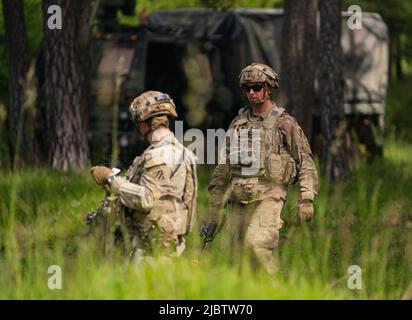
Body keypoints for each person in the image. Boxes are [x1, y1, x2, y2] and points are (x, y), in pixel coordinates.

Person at [207, 63, 319, 274]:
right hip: (239, 199)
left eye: (257, 87)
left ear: (268, 88)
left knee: (257, 246)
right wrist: (216, 205)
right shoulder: (238, 123)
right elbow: (223, 166)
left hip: (269, 195)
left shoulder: (284, 123)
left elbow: (305, 159)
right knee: (237, 258)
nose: (251, 92)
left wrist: (306, 198)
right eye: (247, 88)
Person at [90, 90, 197, 264]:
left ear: (144, 123)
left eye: (138, 123)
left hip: (152, 250)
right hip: (161, 243)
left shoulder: (160, 155)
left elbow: (147, 198)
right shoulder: (178, 152)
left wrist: (110, 178)